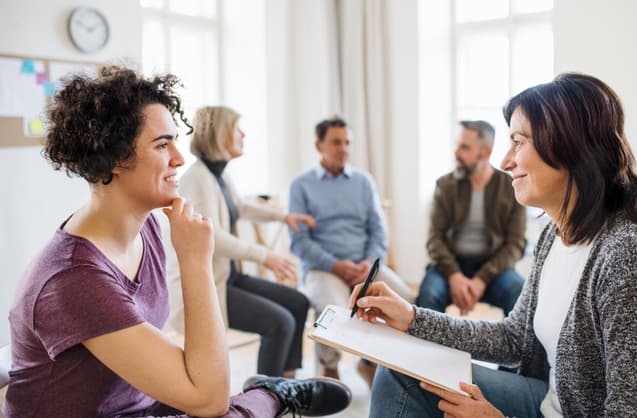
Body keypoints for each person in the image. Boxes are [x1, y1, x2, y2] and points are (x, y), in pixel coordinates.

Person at [353, 73, 637, 417]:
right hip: (557, 400)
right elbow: (513, 338)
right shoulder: (557, 234)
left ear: (569, 148)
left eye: (519, 142)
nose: (506, 162)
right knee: (401, 371)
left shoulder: (636, 258)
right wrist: (411, 317)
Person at [3, 66, 350, 418]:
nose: (179, 158)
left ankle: (269, 391)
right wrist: (196, 261)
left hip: (135, 404)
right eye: (161, 144)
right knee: (222, 409)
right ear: (116, 158)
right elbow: (209, 399)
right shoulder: (74, 279)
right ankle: (273, 394)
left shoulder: (149, 230)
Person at [164, 105, 313, 378]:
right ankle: (264, 398)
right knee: (279, 323)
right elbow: (215, 238)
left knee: (298, 302)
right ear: (221, 135)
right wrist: (265, 256)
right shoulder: (196, 179)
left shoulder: (218, 175)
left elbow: (240, 206)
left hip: (229, 277)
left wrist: (284, 216)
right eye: (237, 129)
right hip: (209, 286)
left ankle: (287, 383)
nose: (243, 134)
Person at [289, 116, 416, 383]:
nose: (343, 148)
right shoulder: (301, 185)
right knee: (332, 309)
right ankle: (330, 368)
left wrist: (369, 263)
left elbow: (379, 230)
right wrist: (336, 265)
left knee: (405, 298)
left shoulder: (363, 181)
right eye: (336, 142)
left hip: (364, 265)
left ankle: (370, 362)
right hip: (324, 268)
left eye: (347, 142)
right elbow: (299, 242)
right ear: (318, 145)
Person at [417, 120, 526, 316]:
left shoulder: (510, 187)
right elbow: (435, 240)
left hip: (493, 268)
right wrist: (454, 275)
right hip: (449, 266)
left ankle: (516, 347)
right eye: (457, 145)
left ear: (485, 151)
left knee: (520, 293)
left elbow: (516, 244)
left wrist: (481, 279)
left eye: (464, 147)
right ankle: (427, 348)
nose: (456, 152)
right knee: (428, 296)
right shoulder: (445, 185)